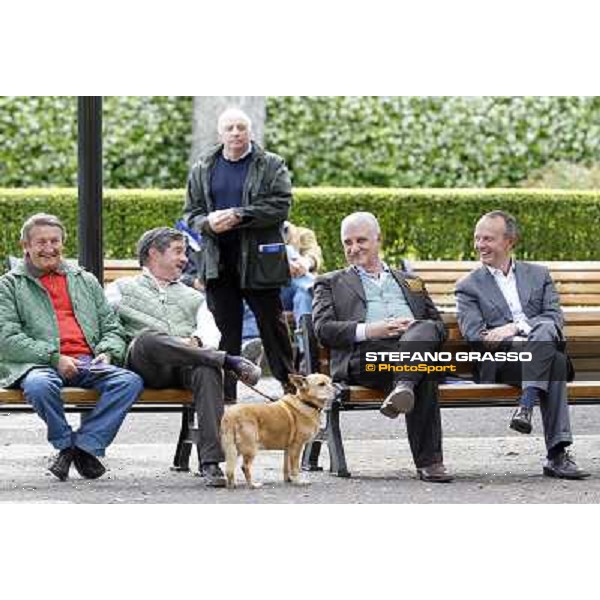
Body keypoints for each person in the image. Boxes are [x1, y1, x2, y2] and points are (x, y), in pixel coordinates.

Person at [105, 227, 262, 487]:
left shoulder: (192, 296)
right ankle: (229, 361)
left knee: (207, 368)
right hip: (143, 367)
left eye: (185, 252)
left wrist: (198, 342)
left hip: (183, 369)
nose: (185, 259)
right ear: (153, 253)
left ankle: (211, 462)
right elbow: (104, 326)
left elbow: (210, 332)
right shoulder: (121, 288)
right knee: (147, 339)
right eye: (178, 251)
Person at [0, 213, 144, 481]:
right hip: (39, 363)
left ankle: (83, 447)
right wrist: (55, 359)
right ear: (25, 246)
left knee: (129, 382)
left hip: (88, 361)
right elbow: (6, 338)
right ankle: (66, 444)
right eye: (41, 242)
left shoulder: (84, 280)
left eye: (55, 241)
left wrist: (107, 352)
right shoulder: (9, 285)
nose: (49, 248)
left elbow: (112, 327)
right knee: (39, 386)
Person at [312, 212, 453, 483]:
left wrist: (413, 328)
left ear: (379, 240)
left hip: (412, 349)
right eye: (348, 243)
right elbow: (323, 329)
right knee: (423, 369)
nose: (354, 249)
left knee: (425, 330)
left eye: (361, 240)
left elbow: (438, 327)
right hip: (366, 356)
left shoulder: (410, 281)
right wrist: (371, 329)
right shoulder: (330, 282)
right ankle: (430, 462)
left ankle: (403, 387)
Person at [455, 210, 589, 479]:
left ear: (510, 241)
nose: (480, 245)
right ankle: (557, 455)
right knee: (555, 361)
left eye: (488, 239)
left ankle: (526, 405)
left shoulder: (538, 275)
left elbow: (554, 319)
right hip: (502, 362)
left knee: (549, 335)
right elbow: (475, 337)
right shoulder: (468, 287)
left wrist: (514, 327)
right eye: (477, 238)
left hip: (536, 351)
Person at [183, 107, 295, 401]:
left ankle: (291, 386)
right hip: (218, 262)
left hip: (259, 261)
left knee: (273, 327)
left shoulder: (271, 164)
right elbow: (191, 213)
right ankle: (225, 396)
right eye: (230, 128)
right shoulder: (203, 167)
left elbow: (280, 205)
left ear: (250, 132)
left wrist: (239, 215)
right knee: (223, 332)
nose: (235, 133)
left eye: (241, 128)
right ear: (220, 133)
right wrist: (207, 222)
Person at [280, 221, 322, 328]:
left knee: (303, 297)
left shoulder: (303, 233)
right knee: (287, 250)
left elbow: (313, 254)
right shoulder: (258, 237)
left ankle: (307, 342)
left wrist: (304, 264)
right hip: (275, 291)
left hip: (297, 289)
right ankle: (312, 286)